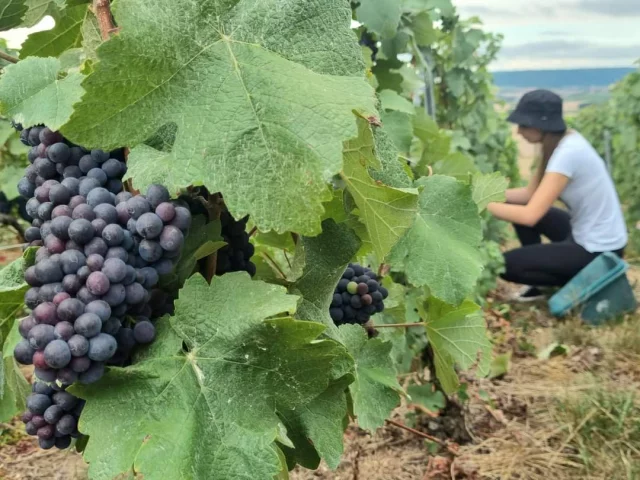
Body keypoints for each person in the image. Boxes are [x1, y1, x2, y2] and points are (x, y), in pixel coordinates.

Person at [487, 89, 628, 301]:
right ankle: (541, 281)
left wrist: (480, 204)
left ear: (540, 126)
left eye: (523, 125)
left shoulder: (567, 153)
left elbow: (530, 215)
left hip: (601, 250)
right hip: (589, 234)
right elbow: (528, 195)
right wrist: (488, 194)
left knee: (505, 265)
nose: (518, 131)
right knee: (520, 215)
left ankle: (585, 280)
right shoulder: (561, 142)